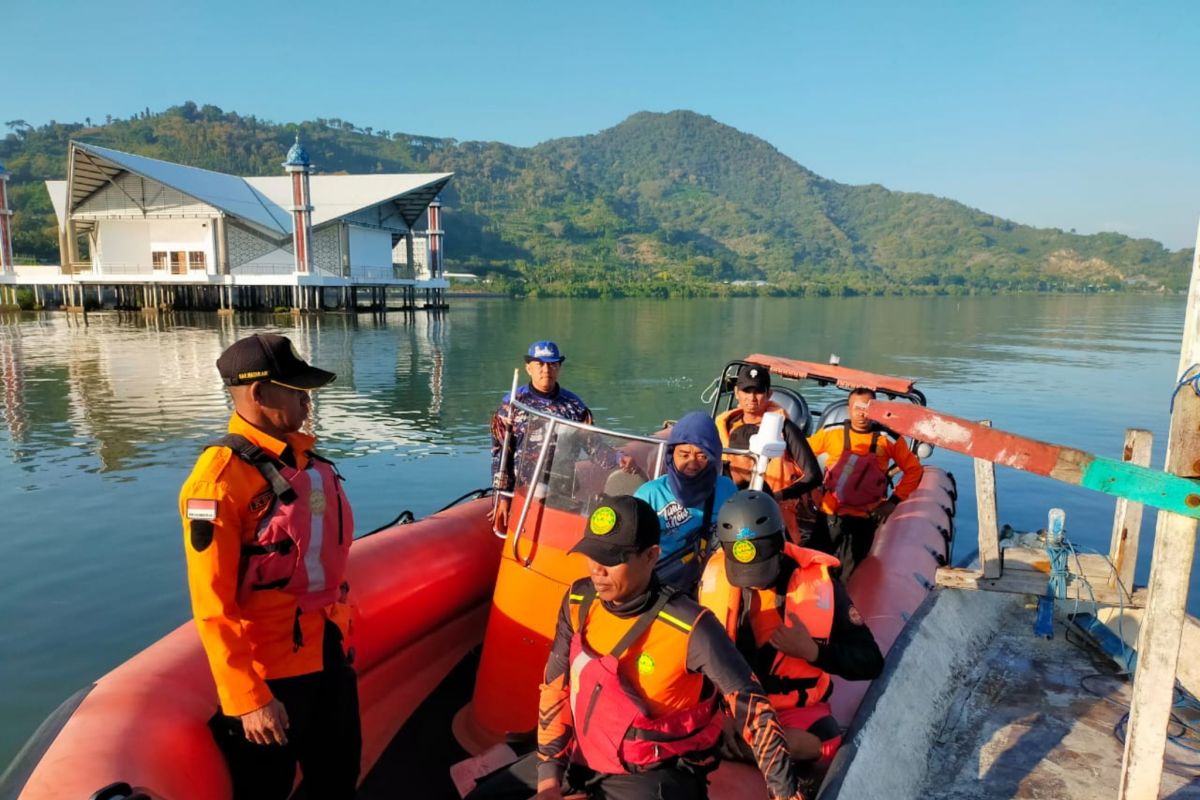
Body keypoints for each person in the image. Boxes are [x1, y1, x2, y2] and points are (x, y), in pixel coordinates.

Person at [465, 494, 807, 800]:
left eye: (612, 558)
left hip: (652, 772)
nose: (597, 569)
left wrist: (784, 792)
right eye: (591, 554)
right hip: (583, 754)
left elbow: (752, 706)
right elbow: (554, 689)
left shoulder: (691, 627)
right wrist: (548, 784)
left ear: (651, 556)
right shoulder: (579, 600)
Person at [179, 333, 360, 800]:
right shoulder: (218, 483)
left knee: (339, 779)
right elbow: (211, 603)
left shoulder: (302, 458)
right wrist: (248, 698)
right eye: (296, 390)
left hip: (325, 652)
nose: (306, 400)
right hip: (271, 675)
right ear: (258, 394)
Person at [699, 490, 883, 775]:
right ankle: (746, 744)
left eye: (761, 571)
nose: (755, 584)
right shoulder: (713, 578)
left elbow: (871, 661)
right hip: (732, 707)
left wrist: (813, 651)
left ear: (779, 543)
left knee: (825, 749)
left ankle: (745, 746)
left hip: (794, 711)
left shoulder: (824, 587)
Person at [805, 387, 924, 577]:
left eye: (867, 408)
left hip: (865, 520)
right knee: (814, 569)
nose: (861, 414)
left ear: (875, 409)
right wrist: (807, 487)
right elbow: (801, 453)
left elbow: (914, 470)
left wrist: (893, 502)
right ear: (849, 409)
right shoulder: (831, 432)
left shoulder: (889, 438)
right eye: (856, 408)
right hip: (828, 516)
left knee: (850, 578)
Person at [490, 340, 596, 532]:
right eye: (540, 364)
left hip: (562, 492)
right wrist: (503, 497)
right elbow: (500, 453)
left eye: (552, 364)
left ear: (559, 368)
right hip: (523, 493)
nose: (546, 369)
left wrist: (620, 459)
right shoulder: (512, 403)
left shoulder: (574, 405)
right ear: (528, 368)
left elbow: (593, 445)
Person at [634, 411, 737, 591]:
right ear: (671, 454)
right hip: (662, 585)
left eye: (702, 456)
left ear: (714, 457)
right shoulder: (650, 495)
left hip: (713, 580)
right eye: (684, 454)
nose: (692, 462)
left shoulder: (726, 489)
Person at [714, 364, 821, 534]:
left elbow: (813, 476)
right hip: (731, 508)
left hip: (774, 510)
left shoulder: (784, 428)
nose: (752, 398)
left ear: (769, 394)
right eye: (746, 391)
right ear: (736, 392)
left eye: (758, 391)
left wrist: (778, 496)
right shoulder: (724, 426)